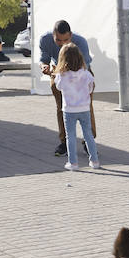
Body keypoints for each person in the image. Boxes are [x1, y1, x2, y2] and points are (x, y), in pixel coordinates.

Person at [39, 20, 94, 157]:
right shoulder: (45, 40)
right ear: (53, 35)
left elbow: (85, 65)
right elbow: (44, 59)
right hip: (58, 72)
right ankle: (64, 141)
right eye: (58, 40)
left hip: (81, 73)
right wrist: (43, 67)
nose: (63, 43)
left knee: (87, 106)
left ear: (71, 35)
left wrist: (71, 77)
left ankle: (88, 141)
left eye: (66, 39)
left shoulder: (80, 41)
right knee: (61, 107)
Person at [53, 42, 100, 170]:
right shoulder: (86, 74)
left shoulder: (61, 76)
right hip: (84, 108)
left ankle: (73, 163)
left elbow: (58, 87)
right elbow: (90, 88)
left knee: (71, 136)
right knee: (88, 135)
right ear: (80, 58)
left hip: (69, 109)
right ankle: (94, 161)